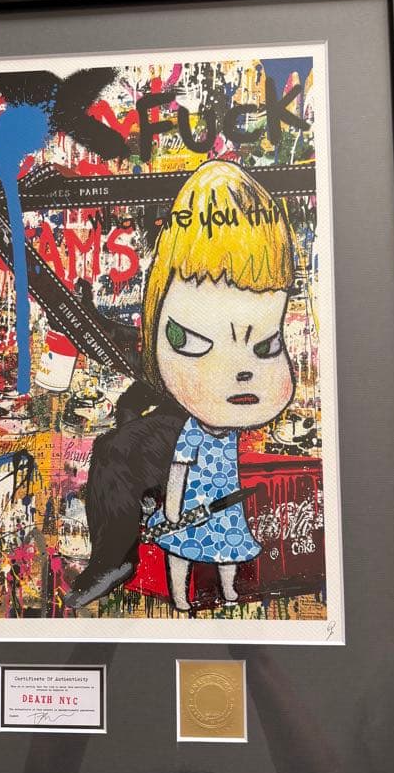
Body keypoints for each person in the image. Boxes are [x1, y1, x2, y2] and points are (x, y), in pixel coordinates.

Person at [64, 159, 296, 611]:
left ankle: (114, 559)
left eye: (267, 346)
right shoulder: (165, 344)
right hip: (184, 420)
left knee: (115, 451)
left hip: (198, 433)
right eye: (190, 340)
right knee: (124, 433)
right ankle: (123, 548)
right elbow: (134, 350)